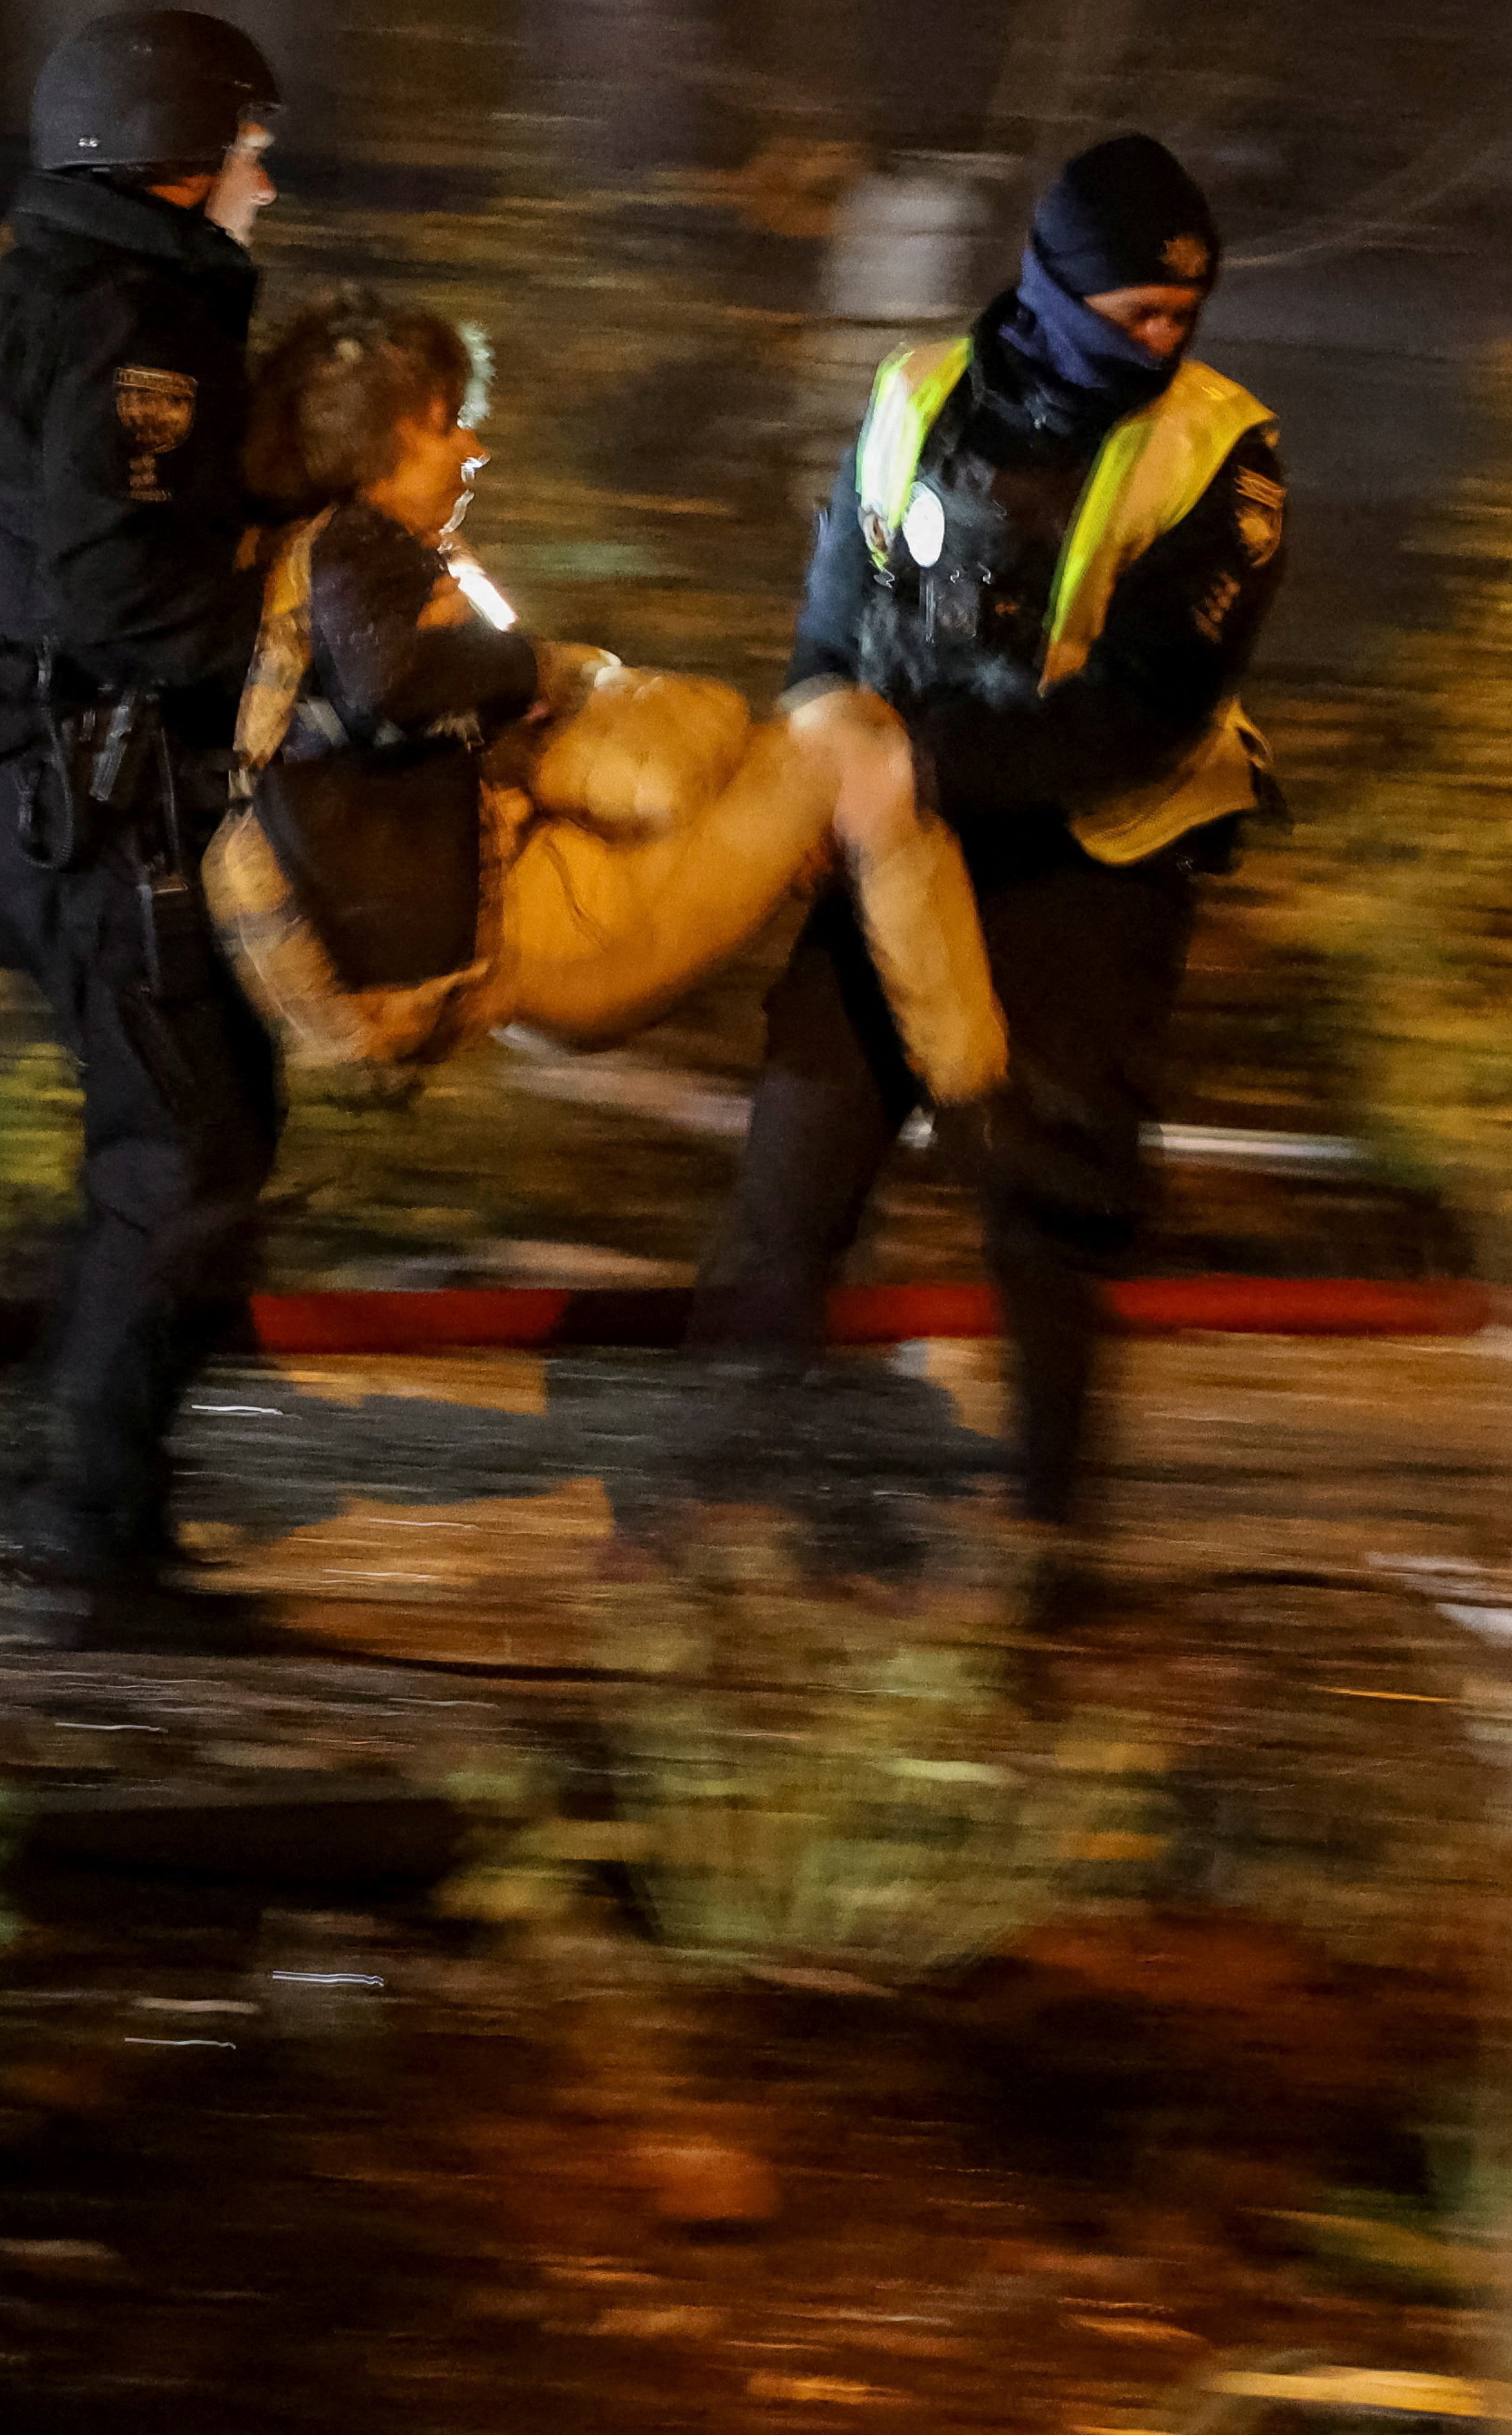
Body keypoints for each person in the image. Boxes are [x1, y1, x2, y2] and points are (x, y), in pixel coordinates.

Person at [680, 133, 1285, 1630]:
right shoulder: (914, 399)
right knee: (793, 1174)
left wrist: (923, 767)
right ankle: (727, 1514)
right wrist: (825, 763)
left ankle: (1043, 1566)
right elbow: (831, 624)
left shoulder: (1225, 452)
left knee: (1046, 1207)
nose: (1165, 341)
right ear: (1056, 291)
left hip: (1094, 858)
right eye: (1136, 312)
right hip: (891, 838)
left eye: (1182, 315)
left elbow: (1145, 710)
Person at [208, 292, 1002, 1101]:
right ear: (386, 434)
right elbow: (395, 683)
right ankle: (976, 1087)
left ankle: (942, 1053)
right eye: (449, 425)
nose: (474, 449)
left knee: (813, 749)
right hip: (550, 939)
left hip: (526, 929)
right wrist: (537, 673)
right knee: (852, 747)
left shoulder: (318, 572)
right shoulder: (355, 550)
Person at [0, 9, 291, 1652]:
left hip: (34, 786)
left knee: (206, 1119)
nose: (271, 182)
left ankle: (83, 1469)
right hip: (84, 798)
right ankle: (89, 1539)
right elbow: (116, 586)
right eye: (257, 150)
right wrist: (300, 637)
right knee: (188, 1144)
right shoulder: (139, 312)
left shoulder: (55, 285)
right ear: (181, 157)